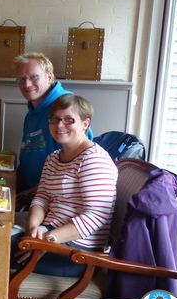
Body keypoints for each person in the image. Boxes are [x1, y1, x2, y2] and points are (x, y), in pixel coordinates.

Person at [12, 94, 117, 276]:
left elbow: (96, 217)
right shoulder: (54, 158)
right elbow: (42, 197)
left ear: (85, 124)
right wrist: (33, 228)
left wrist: (47, 241)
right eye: (55, 119)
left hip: (77, 252)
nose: (60, 125)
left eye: (69, 120)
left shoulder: (94, 160)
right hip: (49, 233)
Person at [15, 53, 93, 207]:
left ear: (49, 77)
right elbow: (26, 156)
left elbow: (76, 168)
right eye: (22, 79)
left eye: (33, 77)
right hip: (31, 192)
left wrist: (26, 195)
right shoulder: (33, 108)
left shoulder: (65, 107)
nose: (27, 84)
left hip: (54, 202)